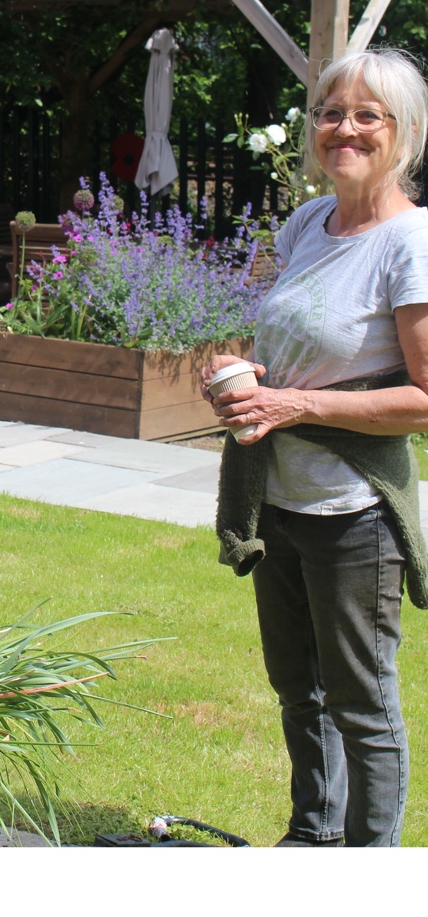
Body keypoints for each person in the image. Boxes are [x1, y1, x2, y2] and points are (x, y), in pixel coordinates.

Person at [202, 48, 428, 848]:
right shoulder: (307, 222)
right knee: (299, 690)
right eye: (333, 112)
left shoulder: (412, 242)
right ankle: (312, 841)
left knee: (362, 703)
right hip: (281, 498)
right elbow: (285, 340)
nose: (346, 128)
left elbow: (425, 399)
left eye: (368, 115)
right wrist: (237, 378)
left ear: (402, 134)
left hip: (353, 508)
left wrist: (292, 400)